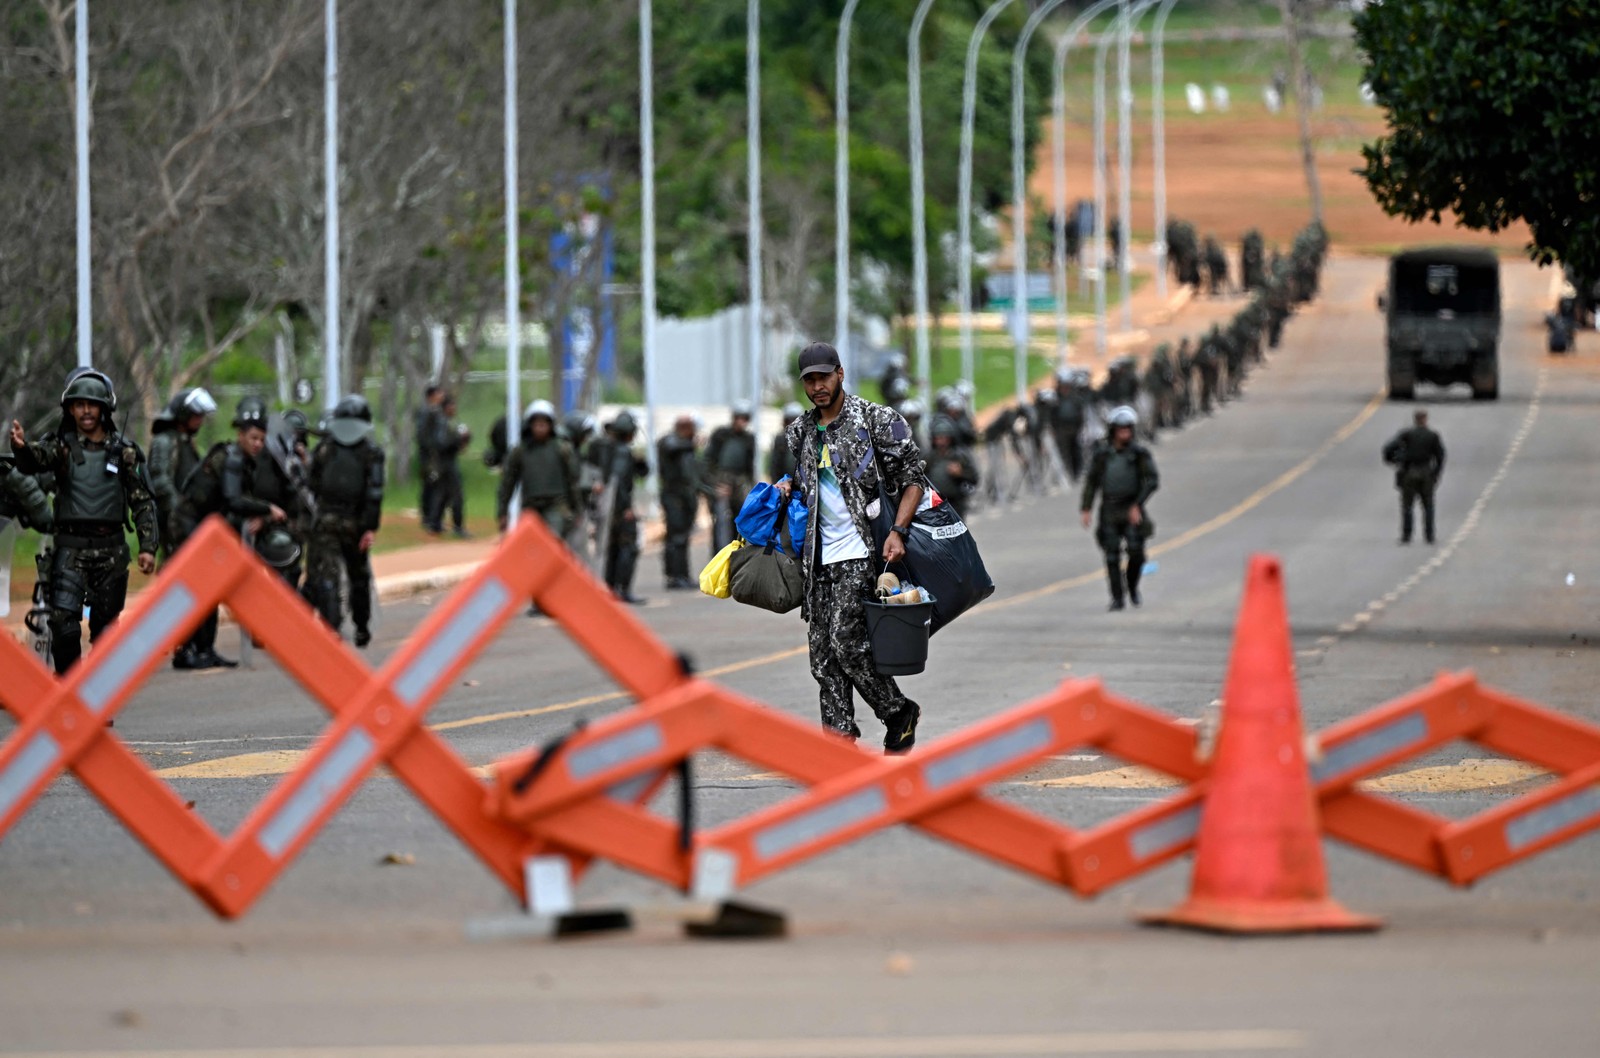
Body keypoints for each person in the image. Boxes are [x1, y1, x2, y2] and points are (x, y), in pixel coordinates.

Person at [776, 341, 926, 754]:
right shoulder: (801, 432)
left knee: (847, 642)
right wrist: (788, 486)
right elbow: (809, 486)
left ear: (840, 374)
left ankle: (896, 710)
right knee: (822, 658)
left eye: (824, 377)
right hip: (817, 560)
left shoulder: (875, 420)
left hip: (861, 552)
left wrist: (898, 530)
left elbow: (915, 478)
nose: (818, 387)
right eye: (810, 380)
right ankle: (839, 749)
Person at [9, 370, 159, 675]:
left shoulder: (125, 453)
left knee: (105, 633)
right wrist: (21, 448)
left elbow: (142, 501)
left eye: (92, 404)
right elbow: (34, 461)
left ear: (105, 407)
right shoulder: (60, 448)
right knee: (64, 627)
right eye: (79, 405)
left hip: (111, 552)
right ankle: (70, 691)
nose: (86, 411)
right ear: (70, 409)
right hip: (70, 550)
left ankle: (97, 698)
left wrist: (148, 546)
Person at [172, 396, 288, 669]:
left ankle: (204, 649)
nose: (258, 444)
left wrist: (256, 515)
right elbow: (233, 499)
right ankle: (188, 650)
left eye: (261, 439)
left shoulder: (241, 459)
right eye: (253, 438)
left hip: (203, 527)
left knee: (210, 589)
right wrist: (267, 508)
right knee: (196, 591)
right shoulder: (234, 458)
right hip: (189, 525)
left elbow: (230, 504)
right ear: (241, 436)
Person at [306, 395, 385, 646]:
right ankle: (361, 627)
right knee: (358, 576)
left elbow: (312, 482)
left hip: (326, 520)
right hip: (356, 523)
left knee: (327, 575)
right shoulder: (372, 453)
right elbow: (374, 493)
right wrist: (369, 527)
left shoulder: (324, 449)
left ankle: (331, 627)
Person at [1080, 405, 1159, 612]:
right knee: (1111, 555)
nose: (1125, 433)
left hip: (1131, 508)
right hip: (1109, 509)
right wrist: (1086, 508)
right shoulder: (1103, 455)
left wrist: (1137, 505)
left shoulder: (1139, 454)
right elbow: (1092, 482)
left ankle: (1132, 586)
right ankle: (1117, 597)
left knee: (1137, 552)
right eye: (1121, 429)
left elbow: (1152, 480)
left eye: (1128, 429)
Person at [147, 387, 217, 562]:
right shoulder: (164, 441)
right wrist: (180, 514)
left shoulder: (186, 442)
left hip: (189, 524)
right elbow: (160, 482)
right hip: (173, 524)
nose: (200, 420)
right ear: (184, 415)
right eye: (196, 415)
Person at [496, 400, 581, 539]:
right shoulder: (520, 452)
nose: (540, 427)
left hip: (556, 505)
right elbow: (508, 483)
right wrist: (503, 512)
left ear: (551, 425)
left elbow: (572, 481)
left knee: (553, 540)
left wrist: (576, 510)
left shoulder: (562, 449)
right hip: (530, 507)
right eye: (536, 423)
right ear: (530, 425)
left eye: (544, 423)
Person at [589, 411, 649, 604]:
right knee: (628, 547)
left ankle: (610, 588)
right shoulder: (622, 451)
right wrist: (626, 508)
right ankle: (622, 589)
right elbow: (619, 482)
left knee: (612, 548)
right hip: (619, 507)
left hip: (605, 507)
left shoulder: (606, 447)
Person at [253, 408, 314, 590]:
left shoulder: (301, 459)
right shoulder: (268, 460)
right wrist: (266, 515)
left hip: (298, 524)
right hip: (274, 524)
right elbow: (264, 491)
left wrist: (305, 463)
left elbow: (311, 494)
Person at [657, 414, 710, 590]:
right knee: (676, 537)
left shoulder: (685, 448)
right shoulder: (670, 442)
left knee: (682, 537)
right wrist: (691, 444)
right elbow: (670, 447)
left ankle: (682, 575)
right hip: (674, 496)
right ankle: (675, 576)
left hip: (685, 496)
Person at [1383, 410, 1446, 544]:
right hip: (1426, 471)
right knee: (1428, 505)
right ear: (1425, 420)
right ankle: (1429, 535)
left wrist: (1395, 462)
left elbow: (1388, 449)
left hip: (1409, 472)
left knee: (1407, 505)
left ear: (1415, 420)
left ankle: (1407, 535)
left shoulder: (1406, 435)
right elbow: (1440, 456)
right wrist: (1436, 473)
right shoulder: (1432, 435)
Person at [703, 400, 758, 553]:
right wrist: (714, 485)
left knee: (742, 518)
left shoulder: (748, 439)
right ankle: (719, 556)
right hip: (722, 479)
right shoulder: (721, 435)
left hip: (740, 480)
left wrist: (752, 489)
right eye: (739, 417)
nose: (742, 422)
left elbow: (749, 465)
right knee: (721, 521)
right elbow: (708, 461)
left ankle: (738, 555)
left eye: (745, 418)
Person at [925, 417, 979, 518]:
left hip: (955, 503)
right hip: (935, 504)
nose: (942, 441)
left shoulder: (959, 456)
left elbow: (974, 478)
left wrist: (961, 473)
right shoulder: (929, 457)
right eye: (938, 438)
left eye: (945, 437)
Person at [435, 394, 471, 537]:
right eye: (451, 406)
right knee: (456, 494)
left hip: (448, 461)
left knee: (444, 494)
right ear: (445, 408)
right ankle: (458, 526)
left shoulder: (449, 422)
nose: (454, 408)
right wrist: (458, 439)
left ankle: (435, 522)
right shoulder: (443, 423)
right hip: (446, 463)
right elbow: (442, 443)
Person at [415, 384, 446, 533]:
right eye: (439, 393)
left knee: (435, 485)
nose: (442, 395)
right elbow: (422, 435)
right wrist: (431, 450)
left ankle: (434, 517)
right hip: (429, 457)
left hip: (437, 456)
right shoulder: (427, 412)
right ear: (431, 396)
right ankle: (428, 517)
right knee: (430, 485)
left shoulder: (438, 412)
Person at [767, 402, 803, 482]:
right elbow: (774, 465)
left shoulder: (806, 438)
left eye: (795, 420)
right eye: (788, 421)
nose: (791, 424)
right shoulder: (780, 439)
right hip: (783, 483)